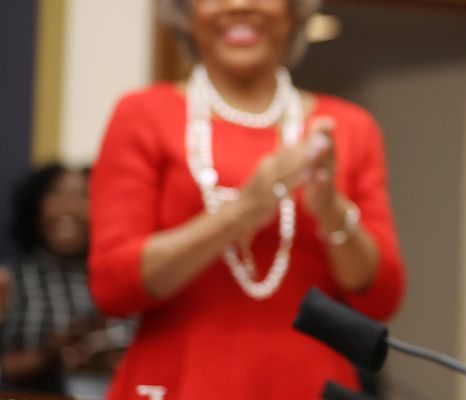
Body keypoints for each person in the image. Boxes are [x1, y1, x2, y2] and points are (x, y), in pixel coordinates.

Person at [88, 0, 406, 398]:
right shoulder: (142, 114)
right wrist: (242, 210)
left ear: (293, 12)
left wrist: (331, 210)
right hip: (179, 381)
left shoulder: (349, 128)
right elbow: (113, 286)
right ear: (185, 11)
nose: (239, 5)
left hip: (310, 384)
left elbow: (380, 297)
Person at [1, 165, 128, 396]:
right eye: (56, 194)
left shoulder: (121, 282)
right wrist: (46, 356)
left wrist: (106, 358)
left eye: (83, 196)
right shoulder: (10, 280)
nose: (68, 206)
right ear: (35, 205)